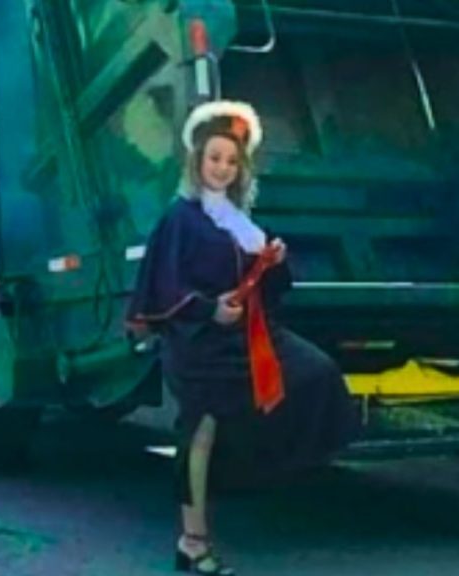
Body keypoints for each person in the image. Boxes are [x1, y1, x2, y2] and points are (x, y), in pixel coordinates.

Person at [126, 101, 359, 575]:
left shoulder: (242, 222)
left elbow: (269, 290)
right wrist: (210, 309)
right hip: (199, 345)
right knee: (201, 433)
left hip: (249, 338)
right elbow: (163, 287)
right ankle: (193, 542)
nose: (222, 168)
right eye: (215, 158)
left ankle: (269, 476)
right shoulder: (180, 218)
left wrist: (274, 261)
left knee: (316, 373)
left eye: (232, 161)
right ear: (197, 160)